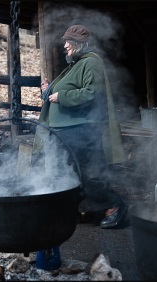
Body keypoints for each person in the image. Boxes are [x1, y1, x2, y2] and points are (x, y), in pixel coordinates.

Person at [35, 24, 127, 229]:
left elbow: (92, 93)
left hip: (82, 130)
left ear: (80, 44)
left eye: (69, 42)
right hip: (66, 131)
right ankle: (74, 211)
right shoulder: (74, 65)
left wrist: (63, 96)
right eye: (65, 41)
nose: (65, 45)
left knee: (89, 175)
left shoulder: (91, 62)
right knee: (69, 175)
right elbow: (61, 94)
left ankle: (115, 207)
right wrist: (48, 90)